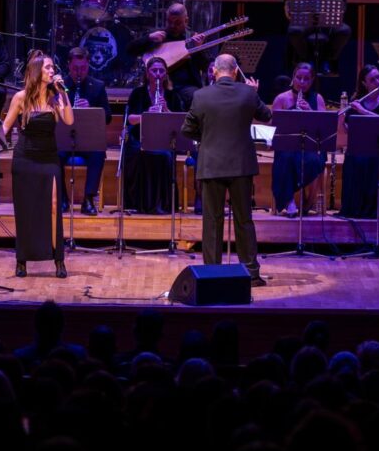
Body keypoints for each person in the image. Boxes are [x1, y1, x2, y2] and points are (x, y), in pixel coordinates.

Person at [182, 54, 271, 286]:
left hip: (211, 164)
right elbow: (267, 115)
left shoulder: (200, 96)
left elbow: (187, 129)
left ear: (214, 71)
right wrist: (255, 92)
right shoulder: (248, 93)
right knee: (244, 220)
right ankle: (251, 273)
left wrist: (208, 137)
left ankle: (212, 273)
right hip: (241, 165)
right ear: (234, 71)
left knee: (212, 221)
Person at [0, 52, 74, 278]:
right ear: (36, 72)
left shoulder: (56, 96)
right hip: (25, 158)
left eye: (53, 68)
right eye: (48, 68)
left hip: (48, 158)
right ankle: (21, 259)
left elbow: (69, 121)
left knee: (53, 205)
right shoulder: (21, 98)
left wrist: (63, 93)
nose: (52, 71)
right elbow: (4, 128)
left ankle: (58, 259)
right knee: (25, 209)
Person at [124, 56, 184, 215]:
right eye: (154, 70)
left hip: (164, 140)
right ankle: (139, 203)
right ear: (147, 74)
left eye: (161, 71)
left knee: (165, 156)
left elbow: (179, 122)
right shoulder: (138, 93)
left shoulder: (173, 95)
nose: (158, 74)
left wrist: (166, 111)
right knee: (139, 154)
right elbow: (130, 119)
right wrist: (146, 116)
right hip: (140, 138)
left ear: (166, 74)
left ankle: (163, 204)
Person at [339, 64, 379, 219]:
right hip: (363, 146)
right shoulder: (358, 101)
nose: (378, 81)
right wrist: (341, 117)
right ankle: (355, 210)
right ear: (364, 84)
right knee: (353, 159)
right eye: (373, 80)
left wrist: (362, 111)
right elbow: (347, 129)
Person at [270, 63, 329, 217]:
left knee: (313, 160)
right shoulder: (281, 98)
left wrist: (309, 112)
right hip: (287, 146)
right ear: (293, 77)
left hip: (311, 146)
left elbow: (323, 129)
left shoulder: (318, 99)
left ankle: (309, 202)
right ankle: (289, 201)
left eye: (306, 79)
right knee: (286, 158)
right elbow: (274, 127)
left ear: (312, 80)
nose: (302, 82)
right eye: (299, 78)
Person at [59, 48, 111, 216]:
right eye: (75, 68)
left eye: (83, 68)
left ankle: (88, 199)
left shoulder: (97, 86)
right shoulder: (59, 86)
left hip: (88, 140)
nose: (79, 72)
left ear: (88, 65)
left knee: (98, 152)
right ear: (69, 66)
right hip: (65, 139)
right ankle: (62, 198)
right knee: (54, 153)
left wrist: (91, 110)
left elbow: (108, 117)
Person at [127, 3, 207, 108]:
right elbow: (130, 50)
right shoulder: (158, 36)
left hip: (185, 86)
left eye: (177, 22)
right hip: (158, 84)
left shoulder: (193, 38)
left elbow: (205, 65)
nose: (173, 26)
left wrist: (198, 48)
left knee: (197, 96)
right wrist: (148, 38)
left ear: (186, 21)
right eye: (169, 22)